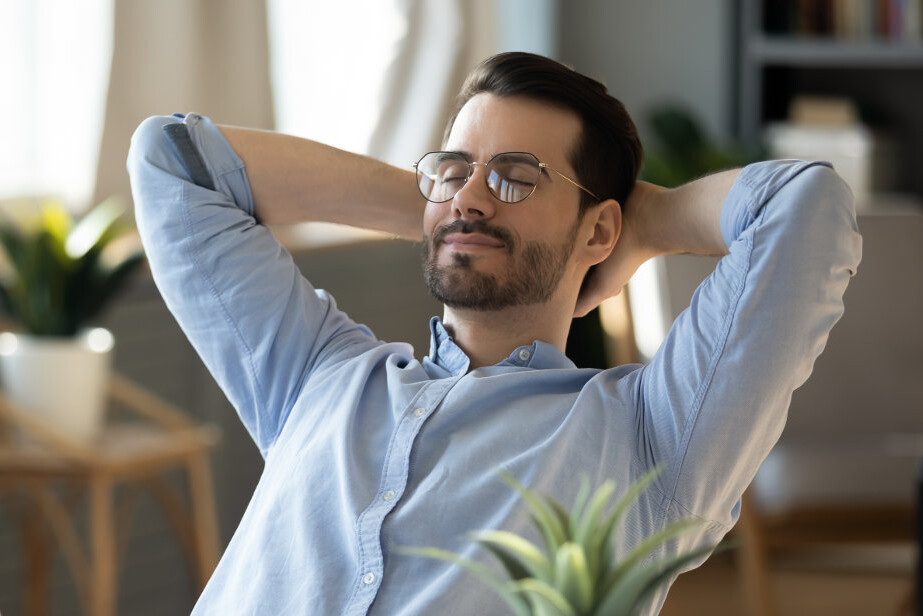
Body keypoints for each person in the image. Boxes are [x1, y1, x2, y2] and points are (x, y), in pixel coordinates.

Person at [127, 52, 861, 615]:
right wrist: (447, 214)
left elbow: (804, 205)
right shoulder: (317, 373)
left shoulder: (652, 437)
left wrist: (641, 225)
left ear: (599, 226)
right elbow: (172, 160)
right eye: (450, 169)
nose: (473, 194)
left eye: (517, 175)